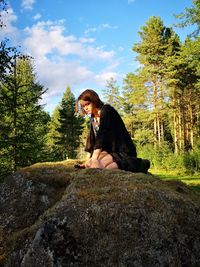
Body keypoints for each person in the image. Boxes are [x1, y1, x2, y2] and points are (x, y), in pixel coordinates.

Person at [75, 89, 150, 173]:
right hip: (110, 151)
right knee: (90, 165)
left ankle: (140, 164)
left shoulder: (106, 110)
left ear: (94, 100)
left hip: (123, 151)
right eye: (83, 106)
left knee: (104, 167)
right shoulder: (93, 117)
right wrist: (88, 161)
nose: (85, 108)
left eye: (87, 104)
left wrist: (95, 158)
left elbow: (101, 135)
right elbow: (91, 140)